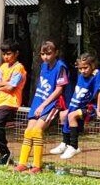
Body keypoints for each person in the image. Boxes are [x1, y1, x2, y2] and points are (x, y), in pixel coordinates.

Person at [14, 40, 68, 173]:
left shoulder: (61, 67)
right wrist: (37, 104)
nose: (45, 57)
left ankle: (37, 166)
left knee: (37, 131)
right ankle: (22, 163)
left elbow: (59, 90)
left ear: (56, 53)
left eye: (49, 54)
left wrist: (44, 105)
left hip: (52, 104)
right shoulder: (43, 66)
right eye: (43, 54)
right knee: (28, 131)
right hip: (38, 101)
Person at [50, 53, 100, 159]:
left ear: (93, 65)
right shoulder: (81, 76)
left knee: (72, 115)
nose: (83, 71)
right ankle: (65, 143)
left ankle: (74, 146)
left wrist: (99, 110)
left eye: (85, 68)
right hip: (77, 106)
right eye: (80, 68)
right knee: (63, 114)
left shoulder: (97, 74)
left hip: (90, 108)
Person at [0, 39, 27, 165]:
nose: (6, 57)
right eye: (4, 54)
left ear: (16, 53)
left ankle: (5, 152)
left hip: (10, 102)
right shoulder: (3, 67)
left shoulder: (19, 68)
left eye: (8, 54)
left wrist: (3, 85)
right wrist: (5, 84)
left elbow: (11, 87)